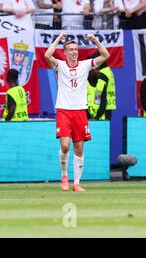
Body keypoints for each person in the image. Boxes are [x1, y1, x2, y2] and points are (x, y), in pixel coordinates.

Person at [44, 32, 110, 192]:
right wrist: (59, 38)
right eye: (71, 50)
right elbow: (47, 54)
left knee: (79, 146)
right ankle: (64, 175)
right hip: (64, 110)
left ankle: (77, 183)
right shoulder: (59, 65)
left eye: (75, 49)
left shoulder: (85, 65)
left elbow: (105, 54)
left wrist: (95, 40)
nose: (74, 52)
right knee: (65, 146)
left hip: (80, 111)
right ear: (65, 53)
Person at [89, 52, 117, 120]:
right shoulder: (108, 70)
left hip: (103, 106)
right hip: (109, 104)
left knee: (102, 128)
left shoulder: (102, 73)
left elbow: (98, 91)